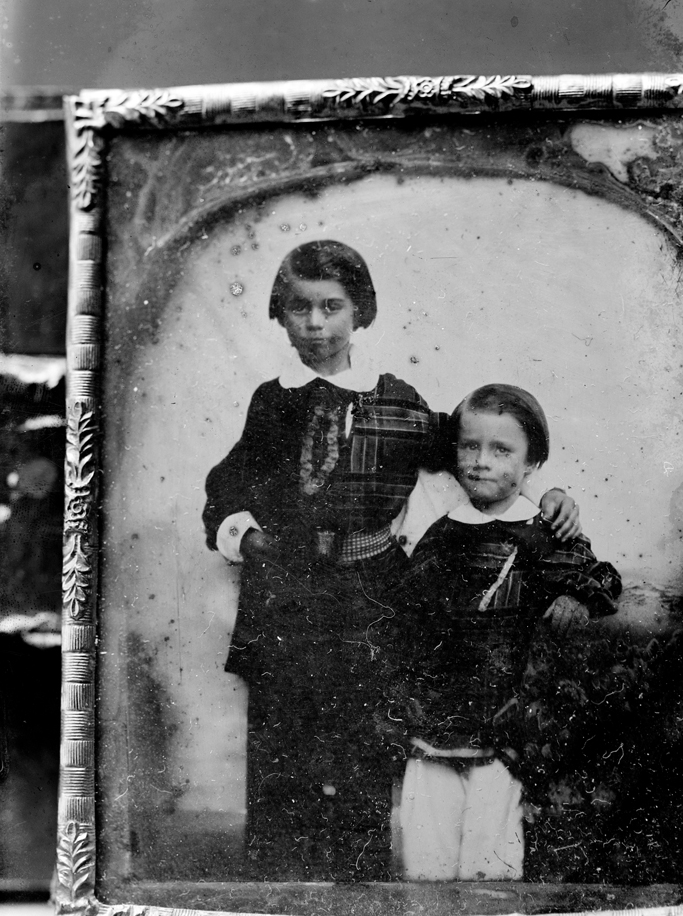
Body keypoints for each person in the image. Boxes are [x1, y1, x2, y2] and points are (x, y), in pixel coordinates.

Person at [203, 242, 579, 880]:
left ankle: (359, 893)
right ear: (279, 315)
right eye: (299, 308)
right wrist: (251, 538)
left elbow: (475, 451)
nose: (316, 323)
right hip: (287, 597)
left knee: (363, 749)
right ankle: (276, 890)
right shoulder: (271, 401)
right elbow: (225, 489)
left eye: (332, 306)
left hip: (371, 600)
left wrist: (551, 490)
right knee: (282, 748)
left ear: (361, 314)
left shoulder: (397, 402)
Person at [393, 384, 622, 881]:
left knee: (491, 862)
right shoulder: (443, 530)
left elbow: (603, 577)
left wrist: (577, 599)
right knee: (425, 860)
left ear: (532, 462)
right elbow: (408, 615)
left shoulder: (542, 532)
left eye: (502, 450)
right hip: (437, 712)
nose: (480, 461)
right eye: (469, 446)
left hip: (507, 720)